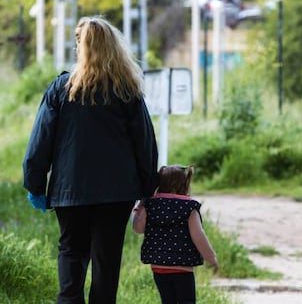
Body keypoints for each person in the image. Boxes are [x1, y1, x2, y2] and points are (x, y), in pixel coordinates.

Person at [22, 15, 159, 304]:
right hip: (117, 192)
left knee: (71, 252)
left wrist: (35, 184)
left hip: (69, 191)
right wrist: (148, 189)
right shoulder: (127, 91)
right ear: (114, 48)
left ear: (81, 47)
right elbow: (144, 143)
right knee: (106, 261)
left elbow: (41, 139)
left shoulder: (61, 88)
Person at [132, 165, 219, 304]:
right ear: (185, 184)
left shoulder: (151, 204)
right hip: (182, 268)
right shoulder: (189, 207)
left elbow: (138, 229)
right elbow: (198, 236)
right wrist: (211, 258)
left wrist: (139, 209)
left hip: (158, 266)